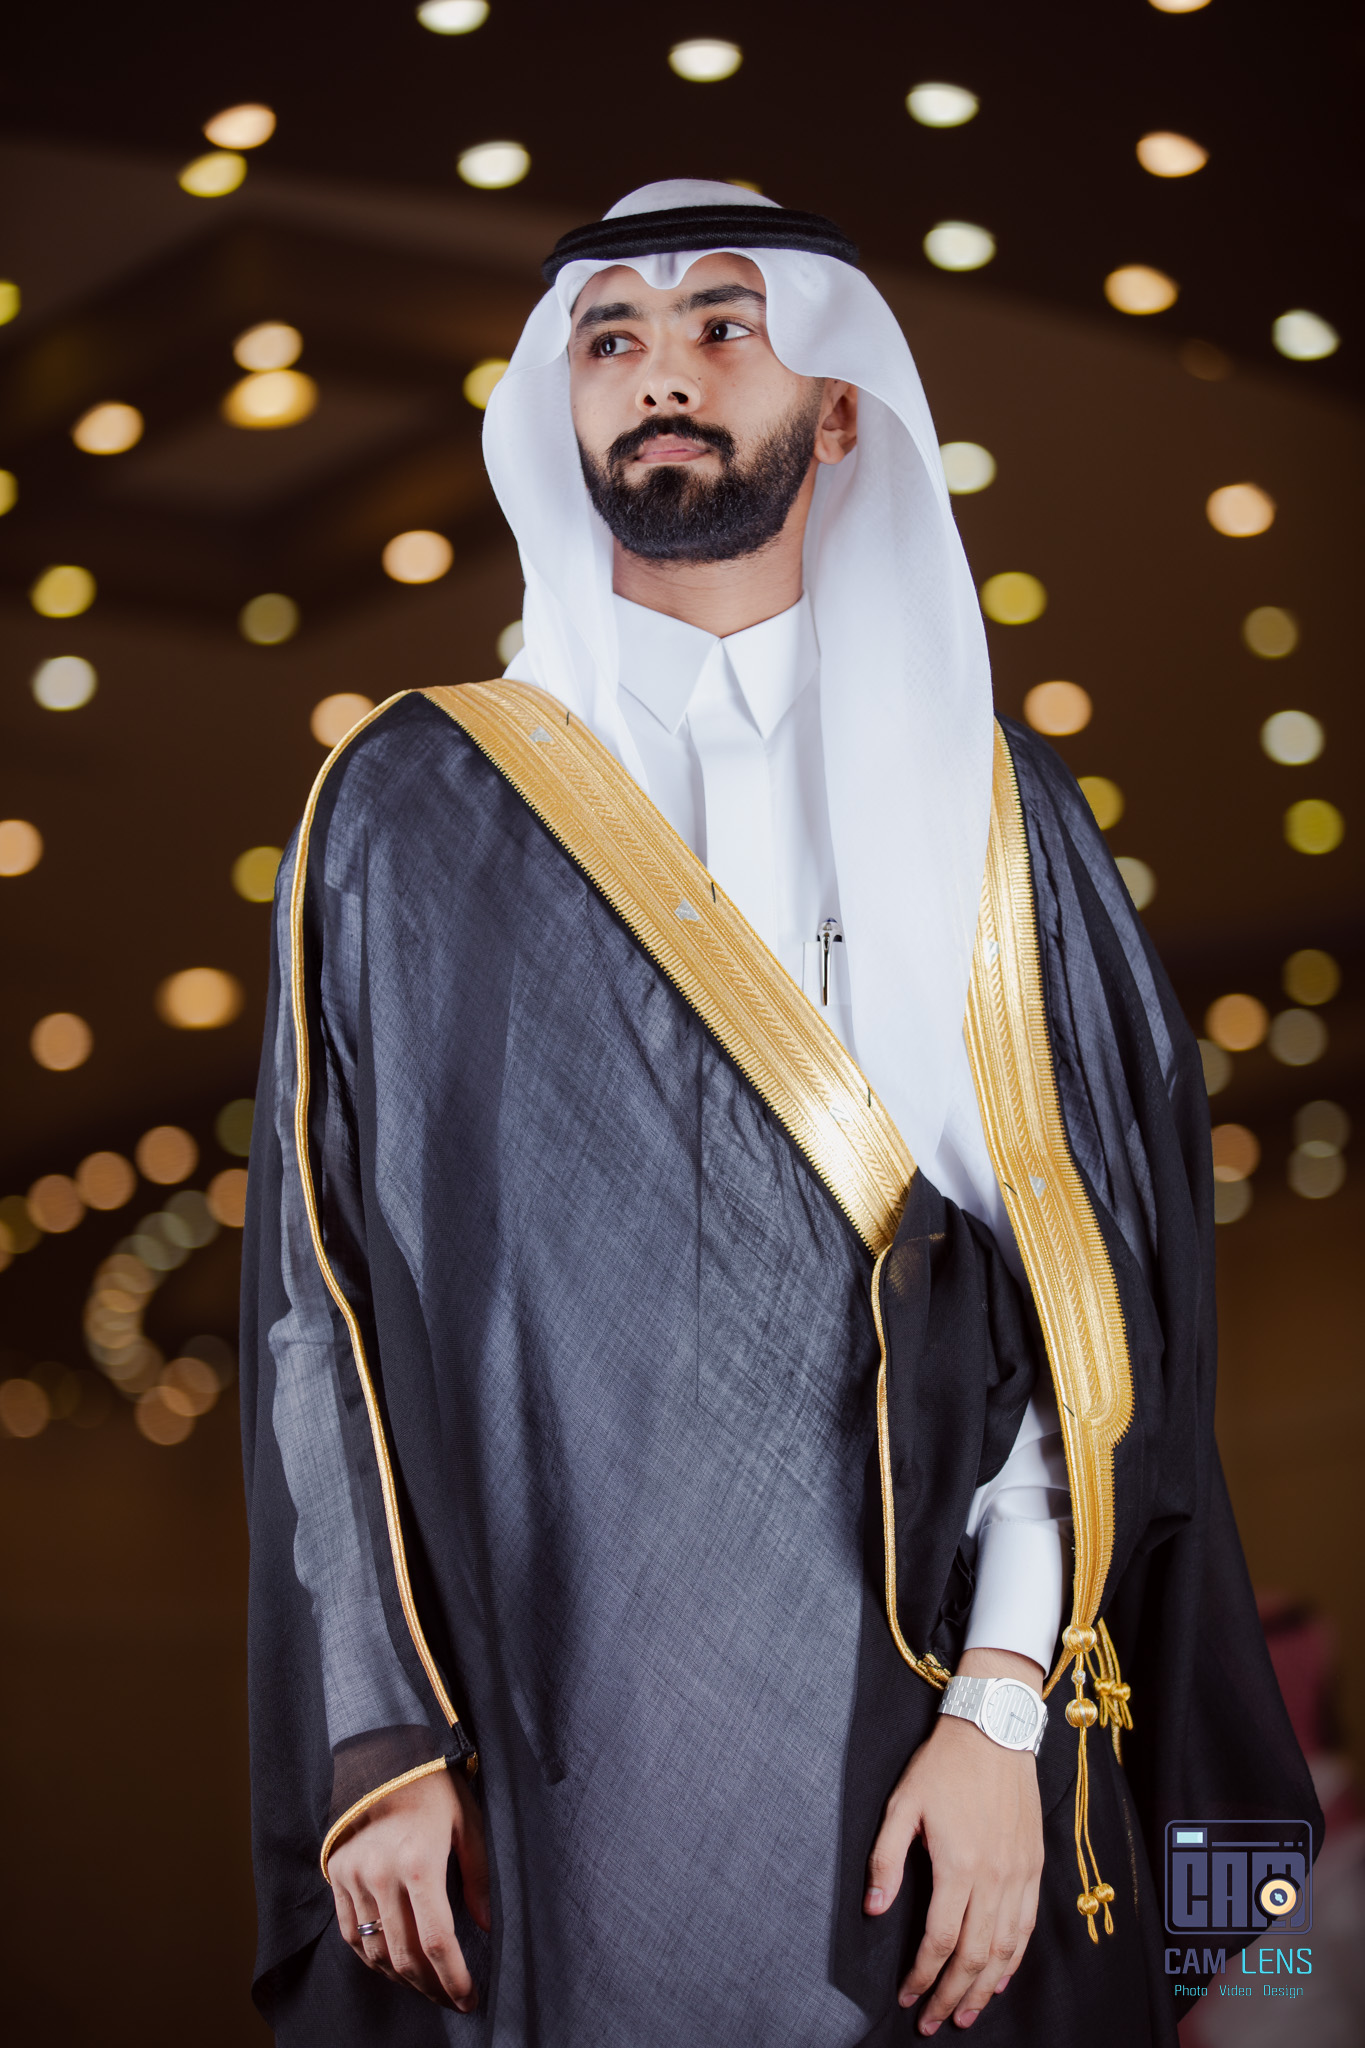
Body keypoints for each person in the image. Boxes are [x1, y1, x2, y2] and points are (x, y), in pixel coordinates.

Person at [241, 182, 1318, 2046]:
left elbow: (1082, 1309)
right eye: (611, 337)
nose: (659, 372)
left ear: (836, 410)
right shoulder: (412, 810)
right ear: (562, 406)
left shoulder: (1002, 820)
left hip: (944, 1754)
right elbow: (315, 1302)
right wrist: (378, 1736)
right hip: (548, 1749)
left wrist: (1001, 1713)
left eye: (720, 325)